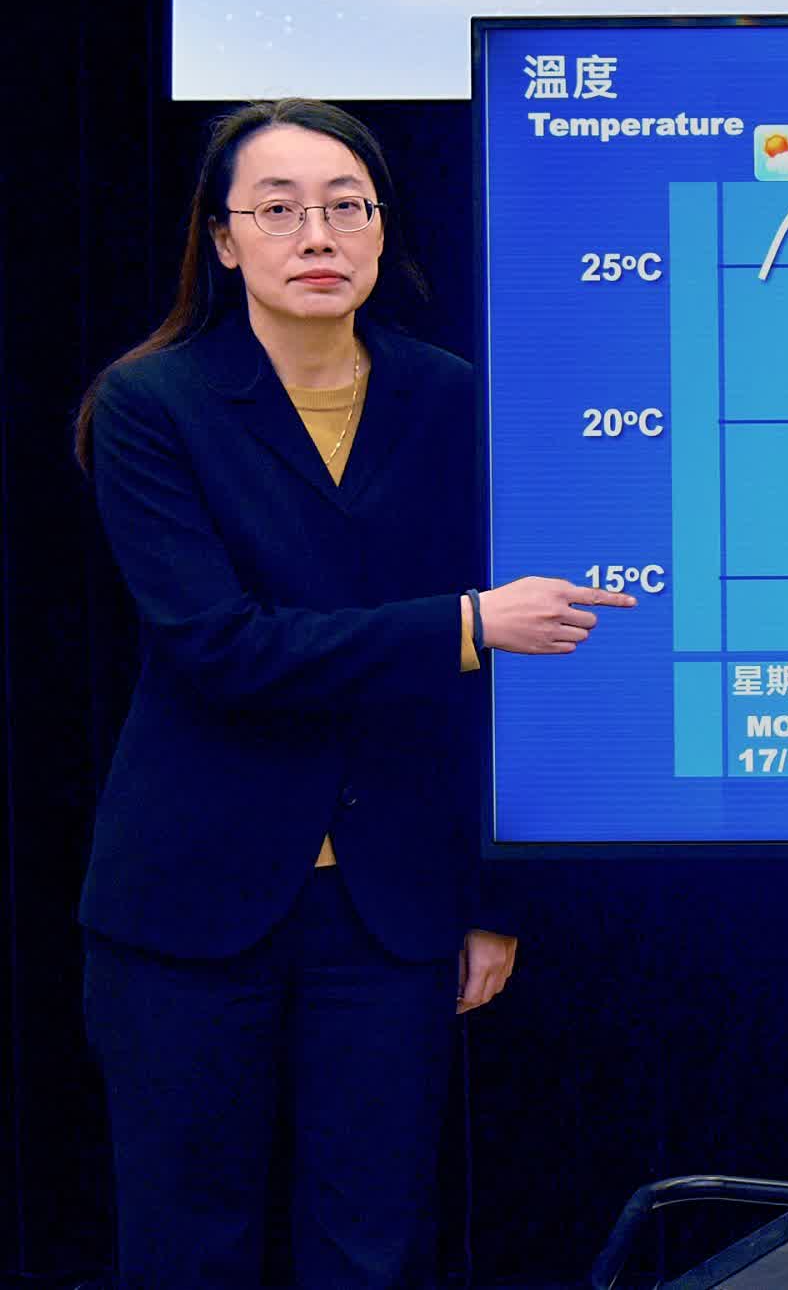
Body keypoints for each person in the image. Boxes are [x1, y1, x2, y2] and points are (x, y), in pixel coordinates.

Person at [72, 100, 636, 1288]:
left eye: (346, 206)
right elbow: (222, 650)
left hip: (392, 905)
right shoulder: (151, 404)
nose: (317, 235)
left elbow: (497, 699)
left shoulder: (453, 396)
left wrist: (489, 895)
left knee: (372, 1246)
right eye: (277, 210)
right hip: (191, 902)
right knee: (187, 1245)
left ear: (381, 228)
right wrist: (469, 626)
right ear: (223, 239)